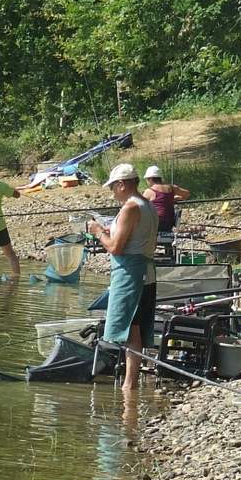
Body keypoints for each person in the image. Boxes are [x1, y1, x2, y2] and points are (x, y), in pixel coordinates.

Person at [88, 163, 158, 391]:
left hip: (130, 275)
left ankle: (129, 384)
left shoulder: (130, 208)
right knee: (135, 327)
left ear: (121, 185)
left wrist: (99, 232)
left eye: (113, 187)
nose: (112, 192)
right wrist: (112, 231)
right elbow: (138, 238)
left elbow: (116, 248)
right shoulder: (148, 204)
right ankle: (130, 386)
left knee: (129, 329)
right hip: (147, 273)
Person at [142, 164, 191, 233]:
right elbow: (187, 194)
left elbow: (139, 207)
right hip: (169, 223)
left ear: (150, 179)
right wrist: (174, 199)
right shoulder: (171, 188)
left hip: (155, 224)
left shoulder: (149, 191)